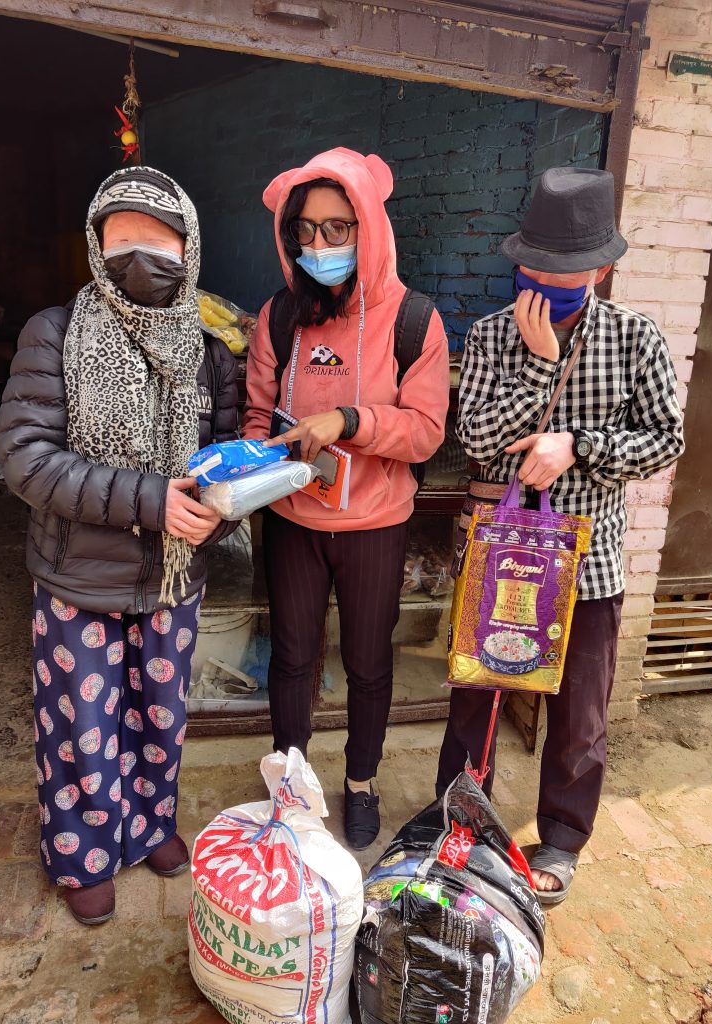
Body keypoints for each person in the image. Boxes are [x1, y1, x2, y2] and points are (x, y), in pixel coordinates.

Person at [0, 166, 239, 925]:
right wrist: (149, 501)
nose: (141, 251)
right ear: (97, 244)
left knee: (161, 715)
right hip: (78, 576)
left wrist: (217, 513)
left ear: (188, 245)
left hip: (172, 578)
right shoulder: (55, 333)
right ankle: (83, 854)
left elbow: (225, 456)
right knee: (82, 727)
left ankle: (148, 825)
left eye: (159, 236)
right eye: (121, 234)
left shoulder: (209, 347)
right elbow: (25, 458)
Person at [437, 167, 684, 904]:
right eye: (534, 264)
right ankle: (461, 818)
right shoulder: (489, 335)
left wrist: (578, 444)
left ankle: (565, 836)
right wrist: (538, 371)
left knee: (580, 715)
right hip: (502, 557)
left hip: (591, 564)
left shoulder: (635, 338)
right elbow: (476, 437)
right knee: (477, 695)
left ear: (602, 266)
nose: (546, 279)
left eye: (567, 268)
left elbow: (665, 442)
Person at [243, 147, 449, 849]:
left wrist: (349, 422)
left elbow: (424, 432)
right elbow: (256, 412)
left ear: (370, 228)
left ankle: (360, 781)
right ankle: (291, 785)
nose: (319, 245)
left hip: (375, 523)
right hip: (292, 517)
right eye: (305, 230)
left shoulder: (414, 320)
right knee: (293, 658)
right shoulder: (279, 317)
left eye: (338, 228)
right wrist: (250, 463)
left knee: (367, 662)